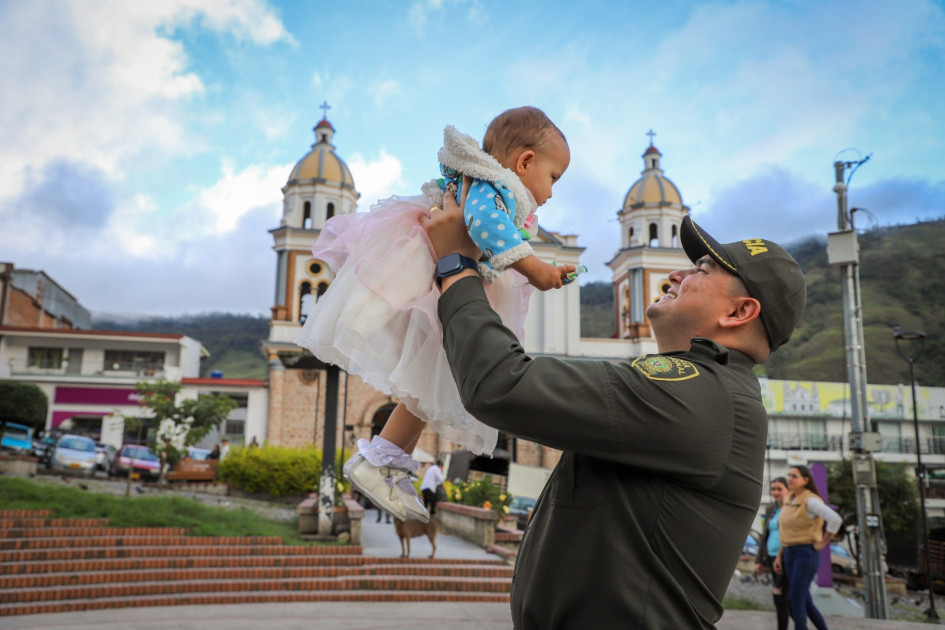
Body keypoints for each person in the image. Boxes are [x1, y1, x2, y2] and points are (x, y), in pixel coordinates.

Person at [422, 195, 807, 628]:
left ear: (740, 312)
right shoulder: (699, 388)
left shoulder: (698, 393)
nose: (677, 273)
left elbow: (502, 383)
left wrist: (456, 266)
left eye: (702, 270)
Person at [295, 106, 575, 523]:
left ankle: (387, 456)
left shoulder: (492, 187)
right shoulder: (491, 186)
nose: (551, 192)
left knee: (430, 380)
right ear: (526, 162)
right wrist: (537, 269)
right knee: (431, 373)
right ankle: (383, 457)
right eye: (553, 178)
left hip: (443, 276)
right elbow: (485, 227)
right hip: (433, 273)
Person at [773, 465, 843, 630]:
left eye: (794, 476)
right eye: (789, 475)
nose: (790, 479)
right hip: (789, 552)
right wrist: (779, 556)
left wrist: (824, 541)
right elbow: (787, 531)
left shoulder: (810, 500)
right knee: (804, 600)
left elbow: (835, 519)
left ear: (805, 480)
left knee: (795, 598)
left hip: (805, 553)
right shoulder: (789, 500)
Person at [756, 476, 792, 630]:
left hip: (786, 556)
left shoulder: (791, 508)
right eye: (773, 489)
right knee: (782, 595)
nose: (775, 492)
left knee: (780, 593)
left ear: (787, 490)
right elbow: (765, 534)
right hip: (771, 556)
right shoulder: (770, 509)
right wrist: (759, 559)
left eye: (779, 489)